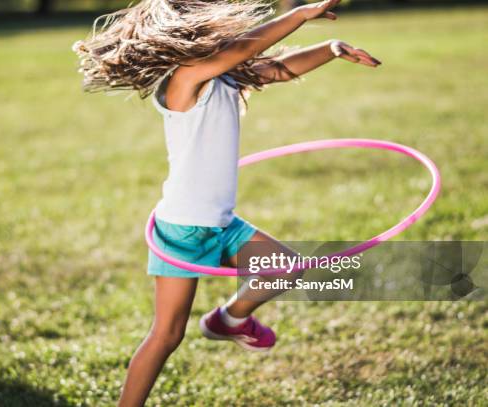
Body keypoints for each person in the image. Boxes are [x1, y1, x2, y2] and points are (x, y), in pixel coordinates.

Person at [73, 1, 380, 405]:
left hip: (222, 222)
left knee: (285, 268)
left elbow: (278, 70)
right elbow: (241, 52)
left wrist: (330, 48)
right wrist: (299, 14)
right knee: (167, 335)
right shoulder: (183, 80)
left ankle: (227, 321)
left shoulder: (223, 77)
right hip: (183, 227)